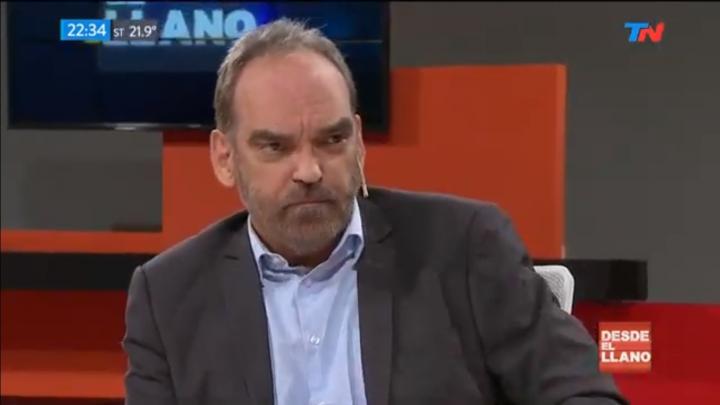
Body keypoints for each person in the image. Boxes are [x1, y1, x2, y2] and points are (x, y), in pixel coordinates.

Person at [122, 18, 628, 405]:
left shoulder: (465, 247)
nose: (309, 170)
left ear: (359, 142)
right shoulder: (167, 296)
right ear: (225, 158)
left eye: (332, 140)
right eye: (275, 147)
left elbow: (583, 394)